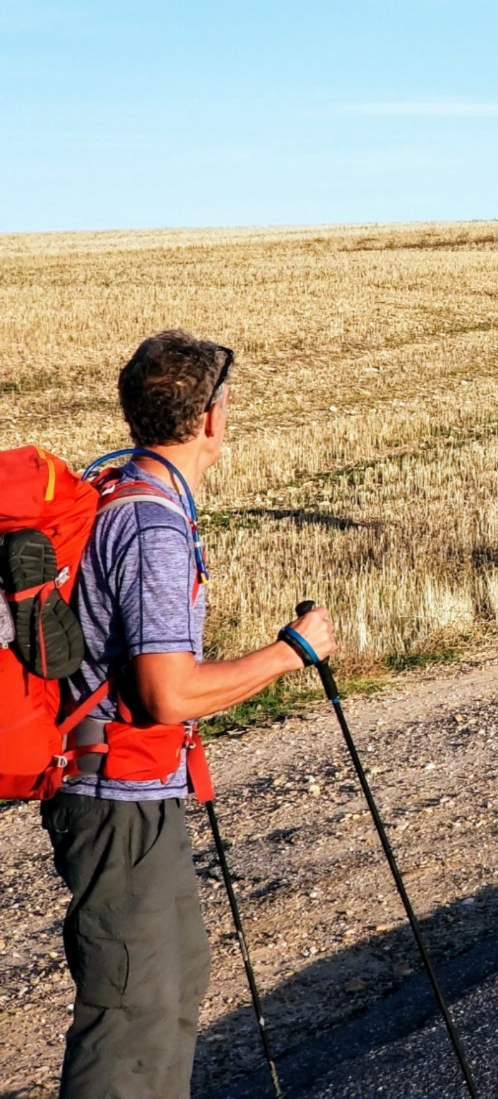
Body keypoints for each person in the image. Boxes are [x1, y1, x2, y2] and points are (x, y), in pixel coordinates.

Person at [44, 329, 338, 1099]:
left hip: (133, 790)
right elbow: (167, 695)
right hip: (116, 798)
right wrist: (291, 653)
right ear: (211, 416)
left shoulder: (123, 487)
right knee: (131, 1013)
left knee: (169, 991)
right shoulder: (151, 525)